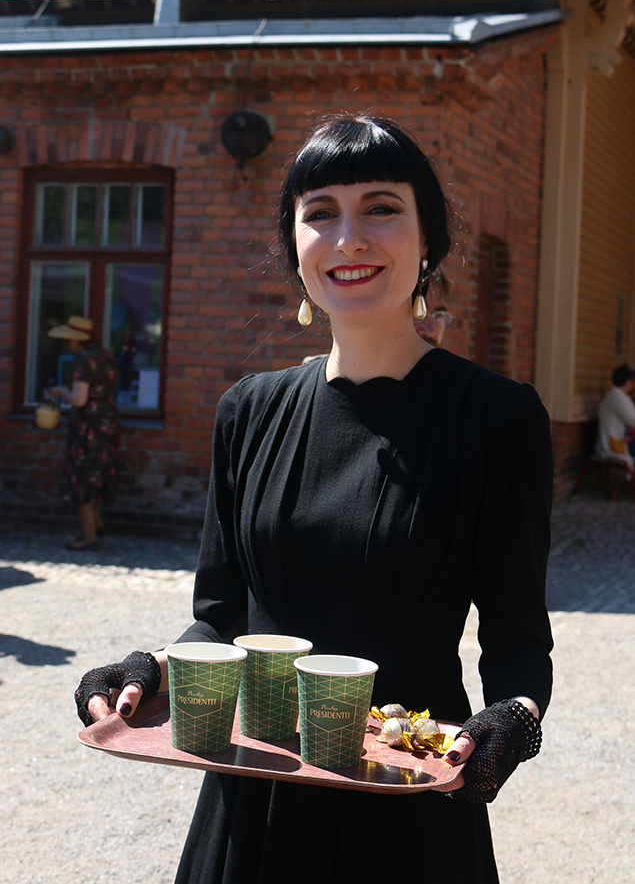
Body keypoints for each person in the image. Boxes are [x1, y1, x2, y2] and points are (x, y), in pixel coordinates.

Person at [74, 115, 553, 883]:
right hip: (252, 802)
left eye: (380, 208)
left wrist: (514, 717)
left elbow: (517, 637)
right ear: (295, 248)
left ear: (427, 240)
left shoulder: (495, 416)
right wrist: (150, 668)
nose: (348, 238)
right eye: (320, 212)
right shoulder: (247, 410)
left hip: (407, 804)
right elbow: (220, 617)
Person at [47, 315, 118, 551]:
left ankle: (89, 538)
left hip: (88, 427)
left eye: (69, 339)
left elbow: (79, 399)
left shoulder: (83, 360)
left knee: (82, 477)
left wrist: (61, 391)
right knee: (95, 475)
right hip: (107, 423)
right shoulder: (105, 356)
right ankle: (97, 526)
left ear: (77, 340)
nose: (68, 343)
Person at [595, 364, 635, 467]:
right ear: (627, 382)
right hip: (612, 445)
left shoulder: (620, 397)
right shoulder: (617, 398)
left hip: (619, 441)